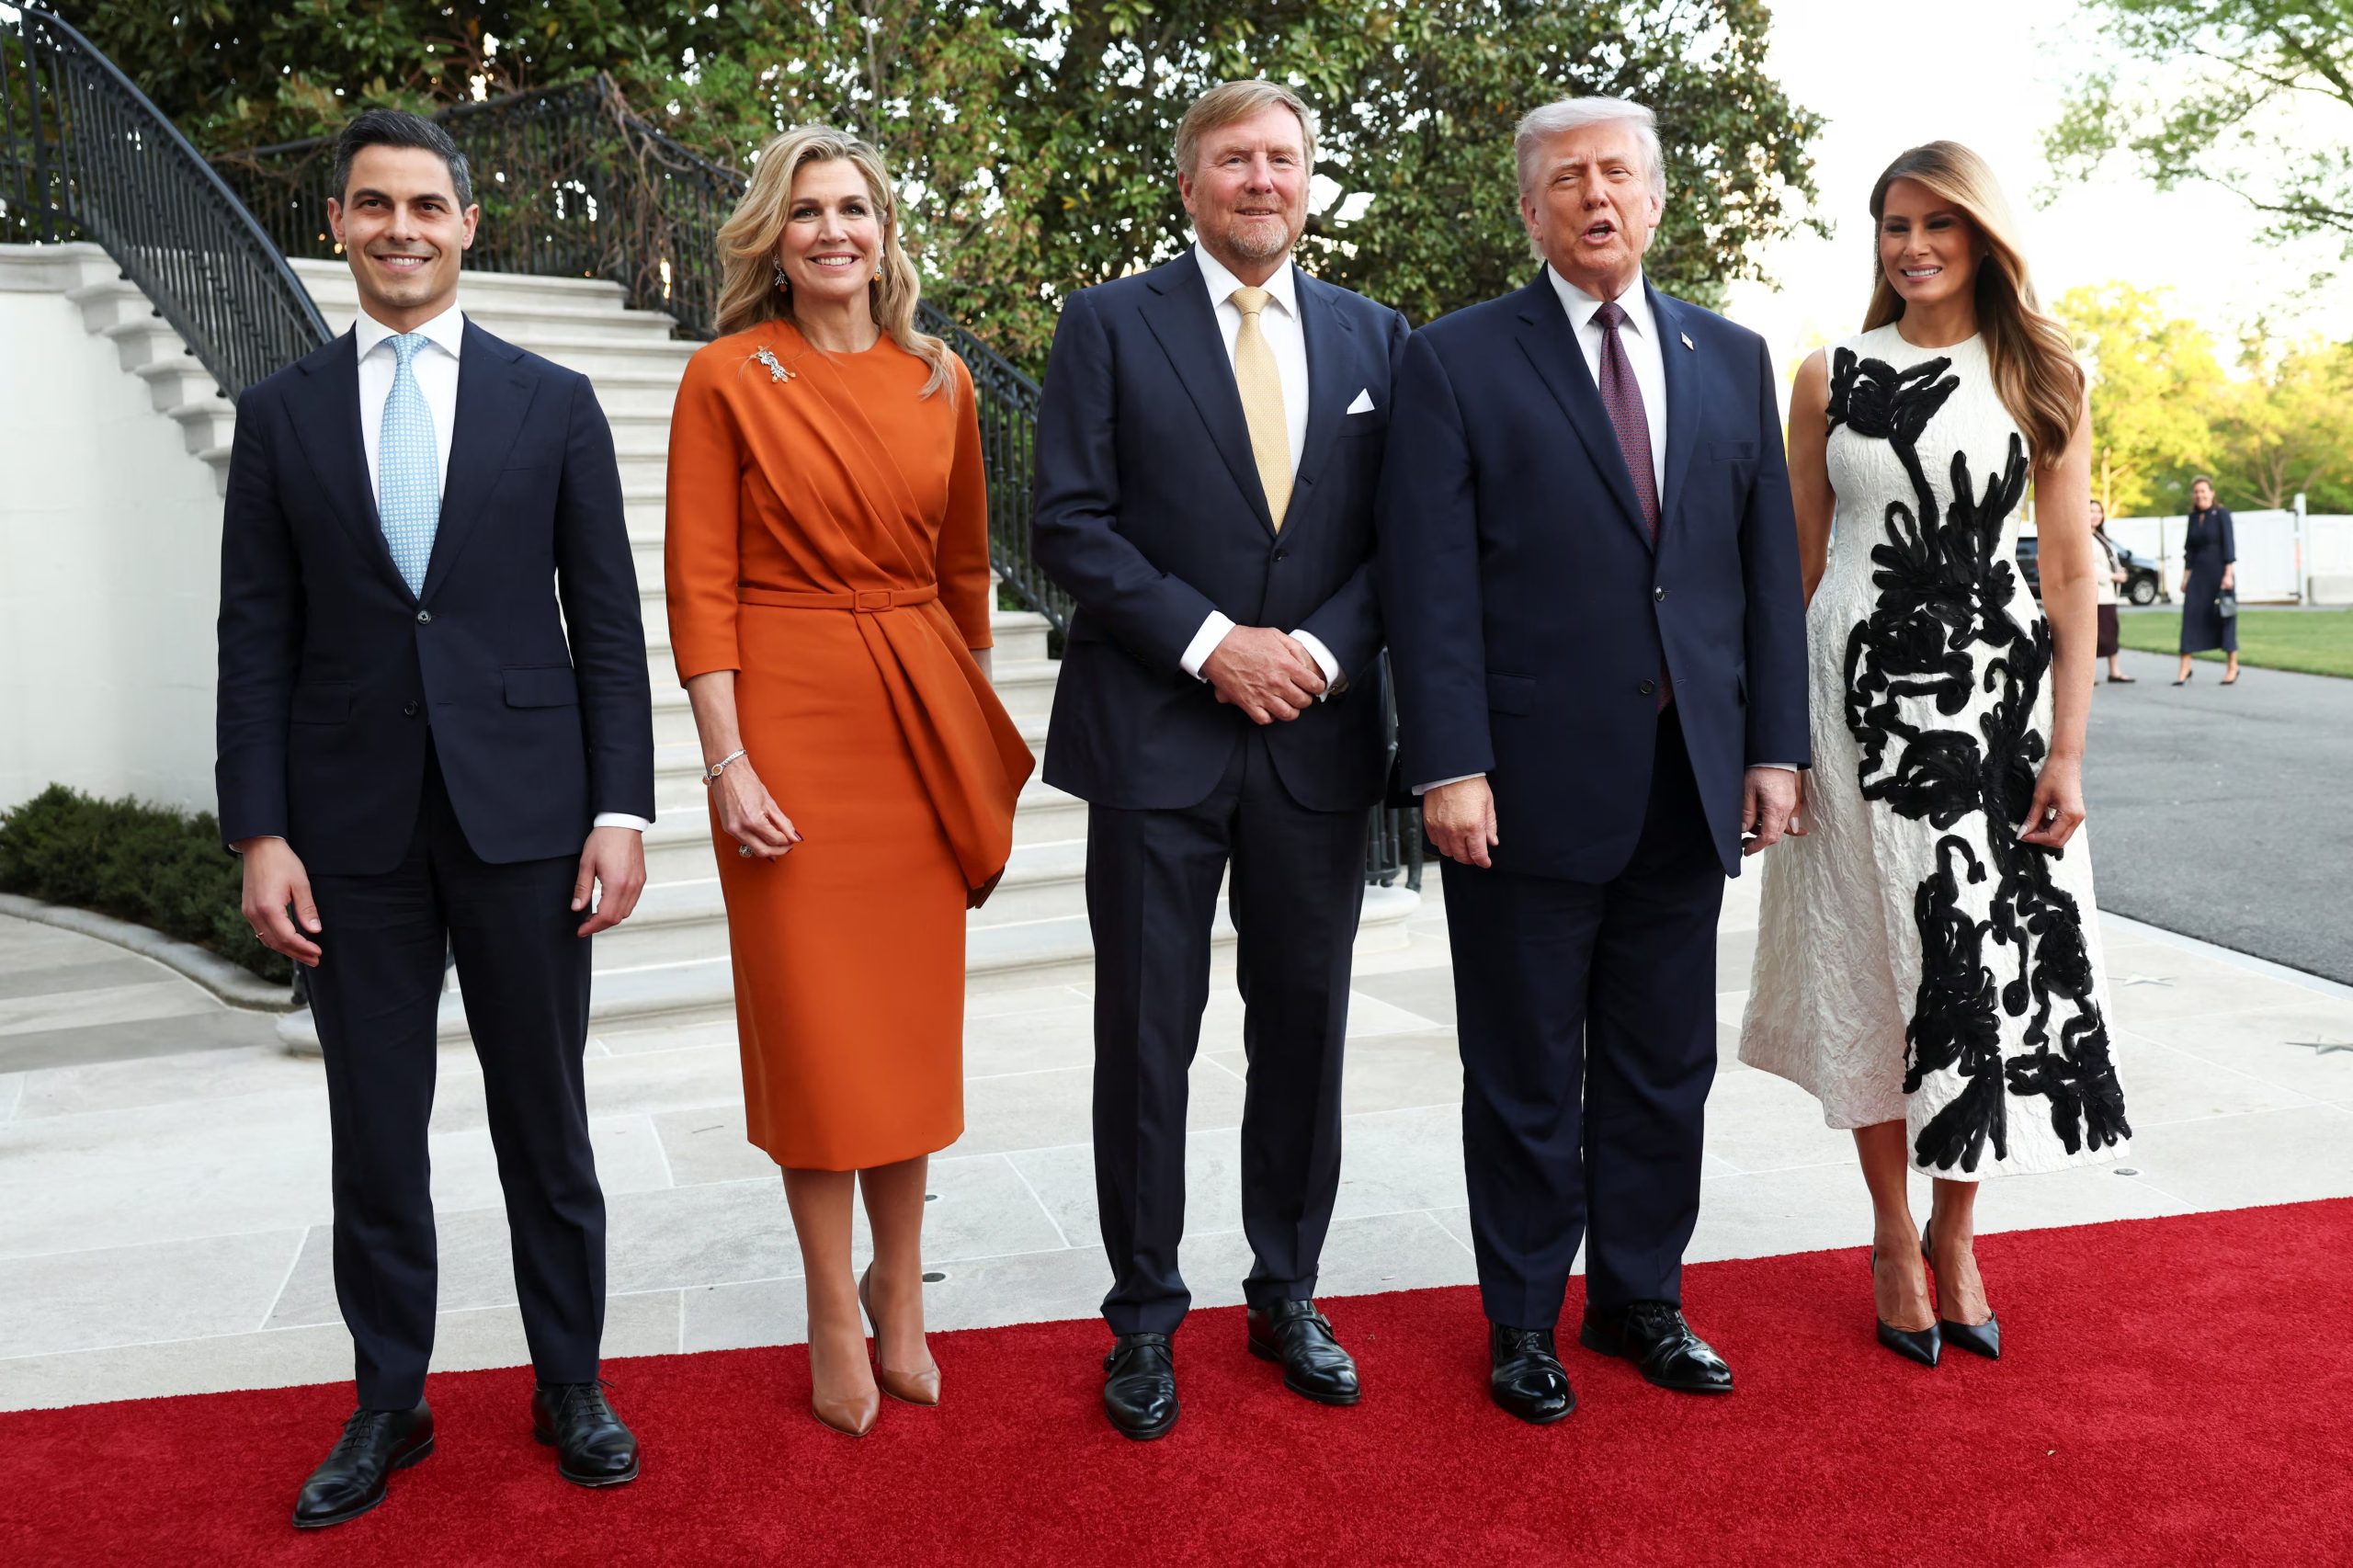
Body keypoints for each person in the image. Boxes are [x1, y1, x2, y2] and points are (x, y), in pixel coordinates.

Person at [217, 110, 654, 1528]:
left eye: (425, 204)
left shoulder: (556, 400)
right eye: (370, 205)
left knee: (548, 1117)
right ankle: (389, 1401)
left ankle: (569, 1378)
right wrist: (259, 831)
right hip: (348, 833)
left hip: (528, 818)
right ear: (336, 226)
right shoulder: (280, 413)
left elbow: (605, 624)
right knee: (375, 1131)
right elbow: (254, 635)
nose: (399, 226)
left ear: (469, 225)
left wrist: (620, 806)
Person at [1378, 96, 1808, 1425]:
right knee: (1521, 1070)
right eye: (1565, 180)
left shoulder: (1729, 357)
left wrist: (1774, 750)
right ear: (1528, 209)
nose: (1595, 196)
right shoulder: (1453, 361)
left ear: (1659, 196)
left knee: (1662, 1061)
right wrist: (1449, 762)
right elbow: (1429, 583)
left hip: (1689, 784)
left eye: (1617, 173)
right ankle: (1521, 1319)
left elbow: (1759, 577)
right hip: (1519, 791)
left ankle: (1640, 1296)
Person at [1031, 80, 1411, 1440]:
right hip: (1155, 741)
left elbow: (1403, 540)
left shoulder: (1378, 337)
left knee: (1302, 1033)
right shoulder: (1107, 324)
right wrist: (1209, 644)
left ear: (1311, 183)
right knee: (1146, 1039)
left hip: (1315, 737)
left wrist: (1313, 649)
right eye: (1235, 159)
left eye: (1285, 160)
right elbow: (1066, 523)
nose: (1263, 180)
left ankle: (1287, 1288)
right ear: (1188, 183)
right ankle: (1143, 1314)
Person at [1740, 141, 2133, 1369]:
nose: (1911, 247)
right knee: (1873, 959)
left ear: (1980, 237)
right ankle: (1890, 1236)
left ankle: (1959, 1231)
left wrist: (2067, 750)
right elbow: (1793, 566)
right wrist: (1770, 743)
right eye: (1894, 227)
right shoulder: (1828, 375)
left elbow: (2070, 572)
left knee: (1974, 965)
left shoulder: (2041, 370)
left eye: (1936, 226)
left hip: (1994, 715)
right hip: (1844, 706)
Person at [664, 126, 1031, 1438]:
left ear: (886, 232)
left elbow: (968, 573)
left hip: (916, 714)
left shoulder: (941, 379)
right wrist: (727, 757)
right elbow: (698, 585)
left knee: (906, 1027)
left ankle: (902, 1290)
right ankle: (832, 1303)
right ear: (774, 235)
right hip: (788, 719)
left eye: (855, 209)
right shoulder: (725, 376)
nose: (833, 231)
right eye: (807, 211)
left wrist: (970, 730)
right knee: (819, 1033)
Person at [2176, 477, 2240, 685]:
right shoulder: (2193, 518)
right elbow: (2189, 550)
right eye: (2196, 492)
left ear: (2212, 493)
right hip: (2198, 575)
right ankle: (2185, 668)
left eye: (2203, 491)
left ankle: (2232, 666)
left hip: (2220, 573)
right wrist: (2185, 578)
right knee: (2190, 617)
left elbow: (2229, 546)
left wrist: (2228, 574)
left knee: (2225, 617)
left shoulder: (2222, 515)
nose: (2200, 495)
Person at [2091, 501, 2133, 683]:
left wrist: (2121, 571)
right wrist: (2113, 576)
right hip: (2097, 595)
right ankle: (2088, 675)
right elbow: (2089, 566)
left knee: (2112, 631)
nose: (2095, 515)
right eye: (2091, 511)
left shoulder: (2101, 537)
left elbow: (2110, 560)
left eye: (2098, 511)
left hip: (2109, 595)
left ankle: (2114, 671)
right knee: (2095, 636)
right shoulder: (2083, 538)